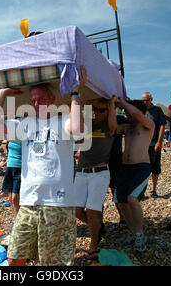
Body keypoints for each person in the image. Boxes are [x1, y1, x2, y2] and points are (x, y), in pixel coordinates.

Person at [0, 67, 87, 266]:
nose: (35, 103)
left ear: (51, 98)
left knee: (53, 262)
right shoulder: (25, 123)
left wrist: (75, 92)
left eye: (40, 99)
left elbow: (78, 129)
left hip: (57, 203)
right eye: (32, 100)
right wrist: (2, 93)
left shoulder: (64, 120)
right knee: (15, 256)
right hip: (29, 201)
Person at [75, 97, 117, 260]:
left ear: (108, 111)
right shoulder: (88, 125)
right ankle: (98, 227)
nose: (97, 113)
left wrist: (112, 103)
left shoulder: (109, 127)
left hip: (100, 173)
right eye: (95, 110)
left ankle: (93, 244)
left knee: (92, 211)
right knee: (76, 210)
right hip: (81, 171)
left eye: (101, 110)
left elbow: (113, 124)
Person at [113, 98, 155, 253]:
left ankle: (139, 234)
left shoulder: (147, 125)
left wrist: (124, 103)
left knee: (132, 199)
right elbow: (113, 127)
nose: (127, 116)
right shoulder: (127, 127)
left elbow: (137, 114)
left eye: (129, 113)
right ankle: (133, 231)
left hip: (141, 167)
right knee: (120, 200)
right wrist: (112, 105)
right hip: (125, 168)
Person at [141, 92, 166, 198]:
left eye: (147, 100)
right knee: (142, 167)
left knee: (155, 167)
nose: (145, 102)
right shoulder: (140, 110)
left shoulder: (157, 110)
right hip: (142, 144)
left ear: (151, 99)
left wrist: (159, 142)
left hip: (153, 143)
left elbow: (162, 126)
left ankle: (153, 189)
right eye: (143, 100)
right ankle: (141, 190)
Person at [0, 140, 22, 220]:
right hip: (10, 168)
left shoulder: (25, 137)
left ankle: (19, 221)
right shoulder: (9, 139)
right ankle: (17, 220)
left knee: (15, 198)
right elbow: (9, 155)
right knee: (11, 199)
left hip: (20, 168)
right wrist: (3, 164)